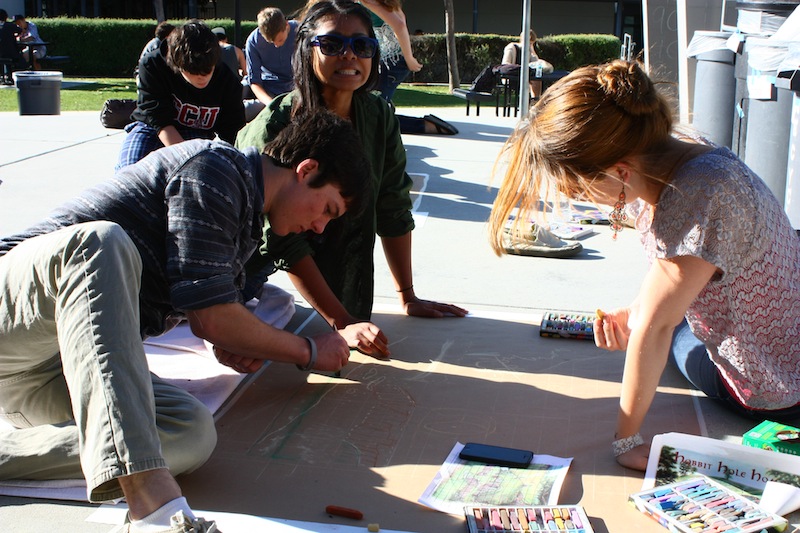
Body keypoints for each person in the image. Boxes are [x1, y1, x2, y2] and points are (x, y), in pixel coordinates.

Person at [0, 110, 372, 533]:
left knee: (192, 434)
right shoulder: (214, 168)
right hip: (14, 323)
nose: (320, 226)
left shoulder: (245, 230)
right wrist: (307, 350)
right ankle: (153, 507)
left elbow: (215, 317)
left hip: (50, 375)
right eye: (328, 208)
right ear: (306, 170)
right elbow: (213, 319)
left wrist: (233, 339)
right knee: (100, 243)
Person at [488, 59, 800, 472]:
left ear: (620, 172)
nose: (581, 199)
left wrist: (628, 442)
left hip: (773, 385)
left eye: (576, 189)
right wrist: (638, 312)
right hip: (788, 341)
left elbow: (656, 330)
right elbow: (680, 278)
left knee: (671, 341)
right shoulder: (684, 149)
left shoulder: (697, 199)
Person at [237, 0, 467, 358]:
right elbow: (277, 239)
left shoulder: (378, 115)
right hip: (250, 252)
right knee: (230, 314)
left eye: (362, 46)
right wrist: (341, 321)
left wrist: (407, 295)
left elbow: (392, 204)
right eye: (331, 45)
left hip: (309, 238)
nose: (349, 56)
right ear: (305, 50)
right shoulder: (273, 126)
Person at [117, 20, 245, 170]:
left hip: (197, 134)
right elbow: (158, 119)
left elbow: (234, 132)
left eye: (208, 70)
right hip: (152, 129)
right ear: (177, 65)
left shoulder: (227, 81)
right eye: (193, 71)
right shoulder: (153, 64)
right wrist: (188, 159)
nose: (201, 77)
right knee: (130, 172)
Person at [357, 0, 457, 135]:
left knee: (372, 116)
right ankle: (388, 107)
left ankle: (425, 125)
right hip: (389, 63)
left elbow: (400, 24)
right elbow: (401, 19)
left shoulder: (369, 2)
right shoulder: (386, 2)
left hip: (389, 64)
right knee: (366, 108)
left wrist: (409, 58)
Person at [243, 7, 297, 120]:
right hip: (268, 90)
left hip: (296, 88)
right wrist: (271, 105)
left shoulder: (300, 31)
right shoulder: (253, 41)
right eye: (270, 42)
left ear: (286, 26)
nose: (276, 45)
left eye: (280, 40)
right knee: (240, 108)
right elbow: (255, 82)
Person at [501, 30, 552, 100]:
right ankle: (533, 101)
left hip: (527, 77)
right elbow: (505, 65)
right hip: (512, 77)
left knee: (537, 80)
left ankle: (535, 101)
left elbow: (536, 63)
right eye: (529, 43)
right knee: (533, 80)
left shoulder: (528, 52)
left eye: (532, 43)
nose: (529, 45)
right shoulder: (511, 48)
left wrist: (532, 51)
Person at [0, 9, 22, 85]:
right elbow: (20, 30)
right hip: (11, 52)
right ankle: (10, 77)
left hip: (1, 53)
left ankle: (3, 77)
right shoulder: (10, 25)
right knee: (10, 55)